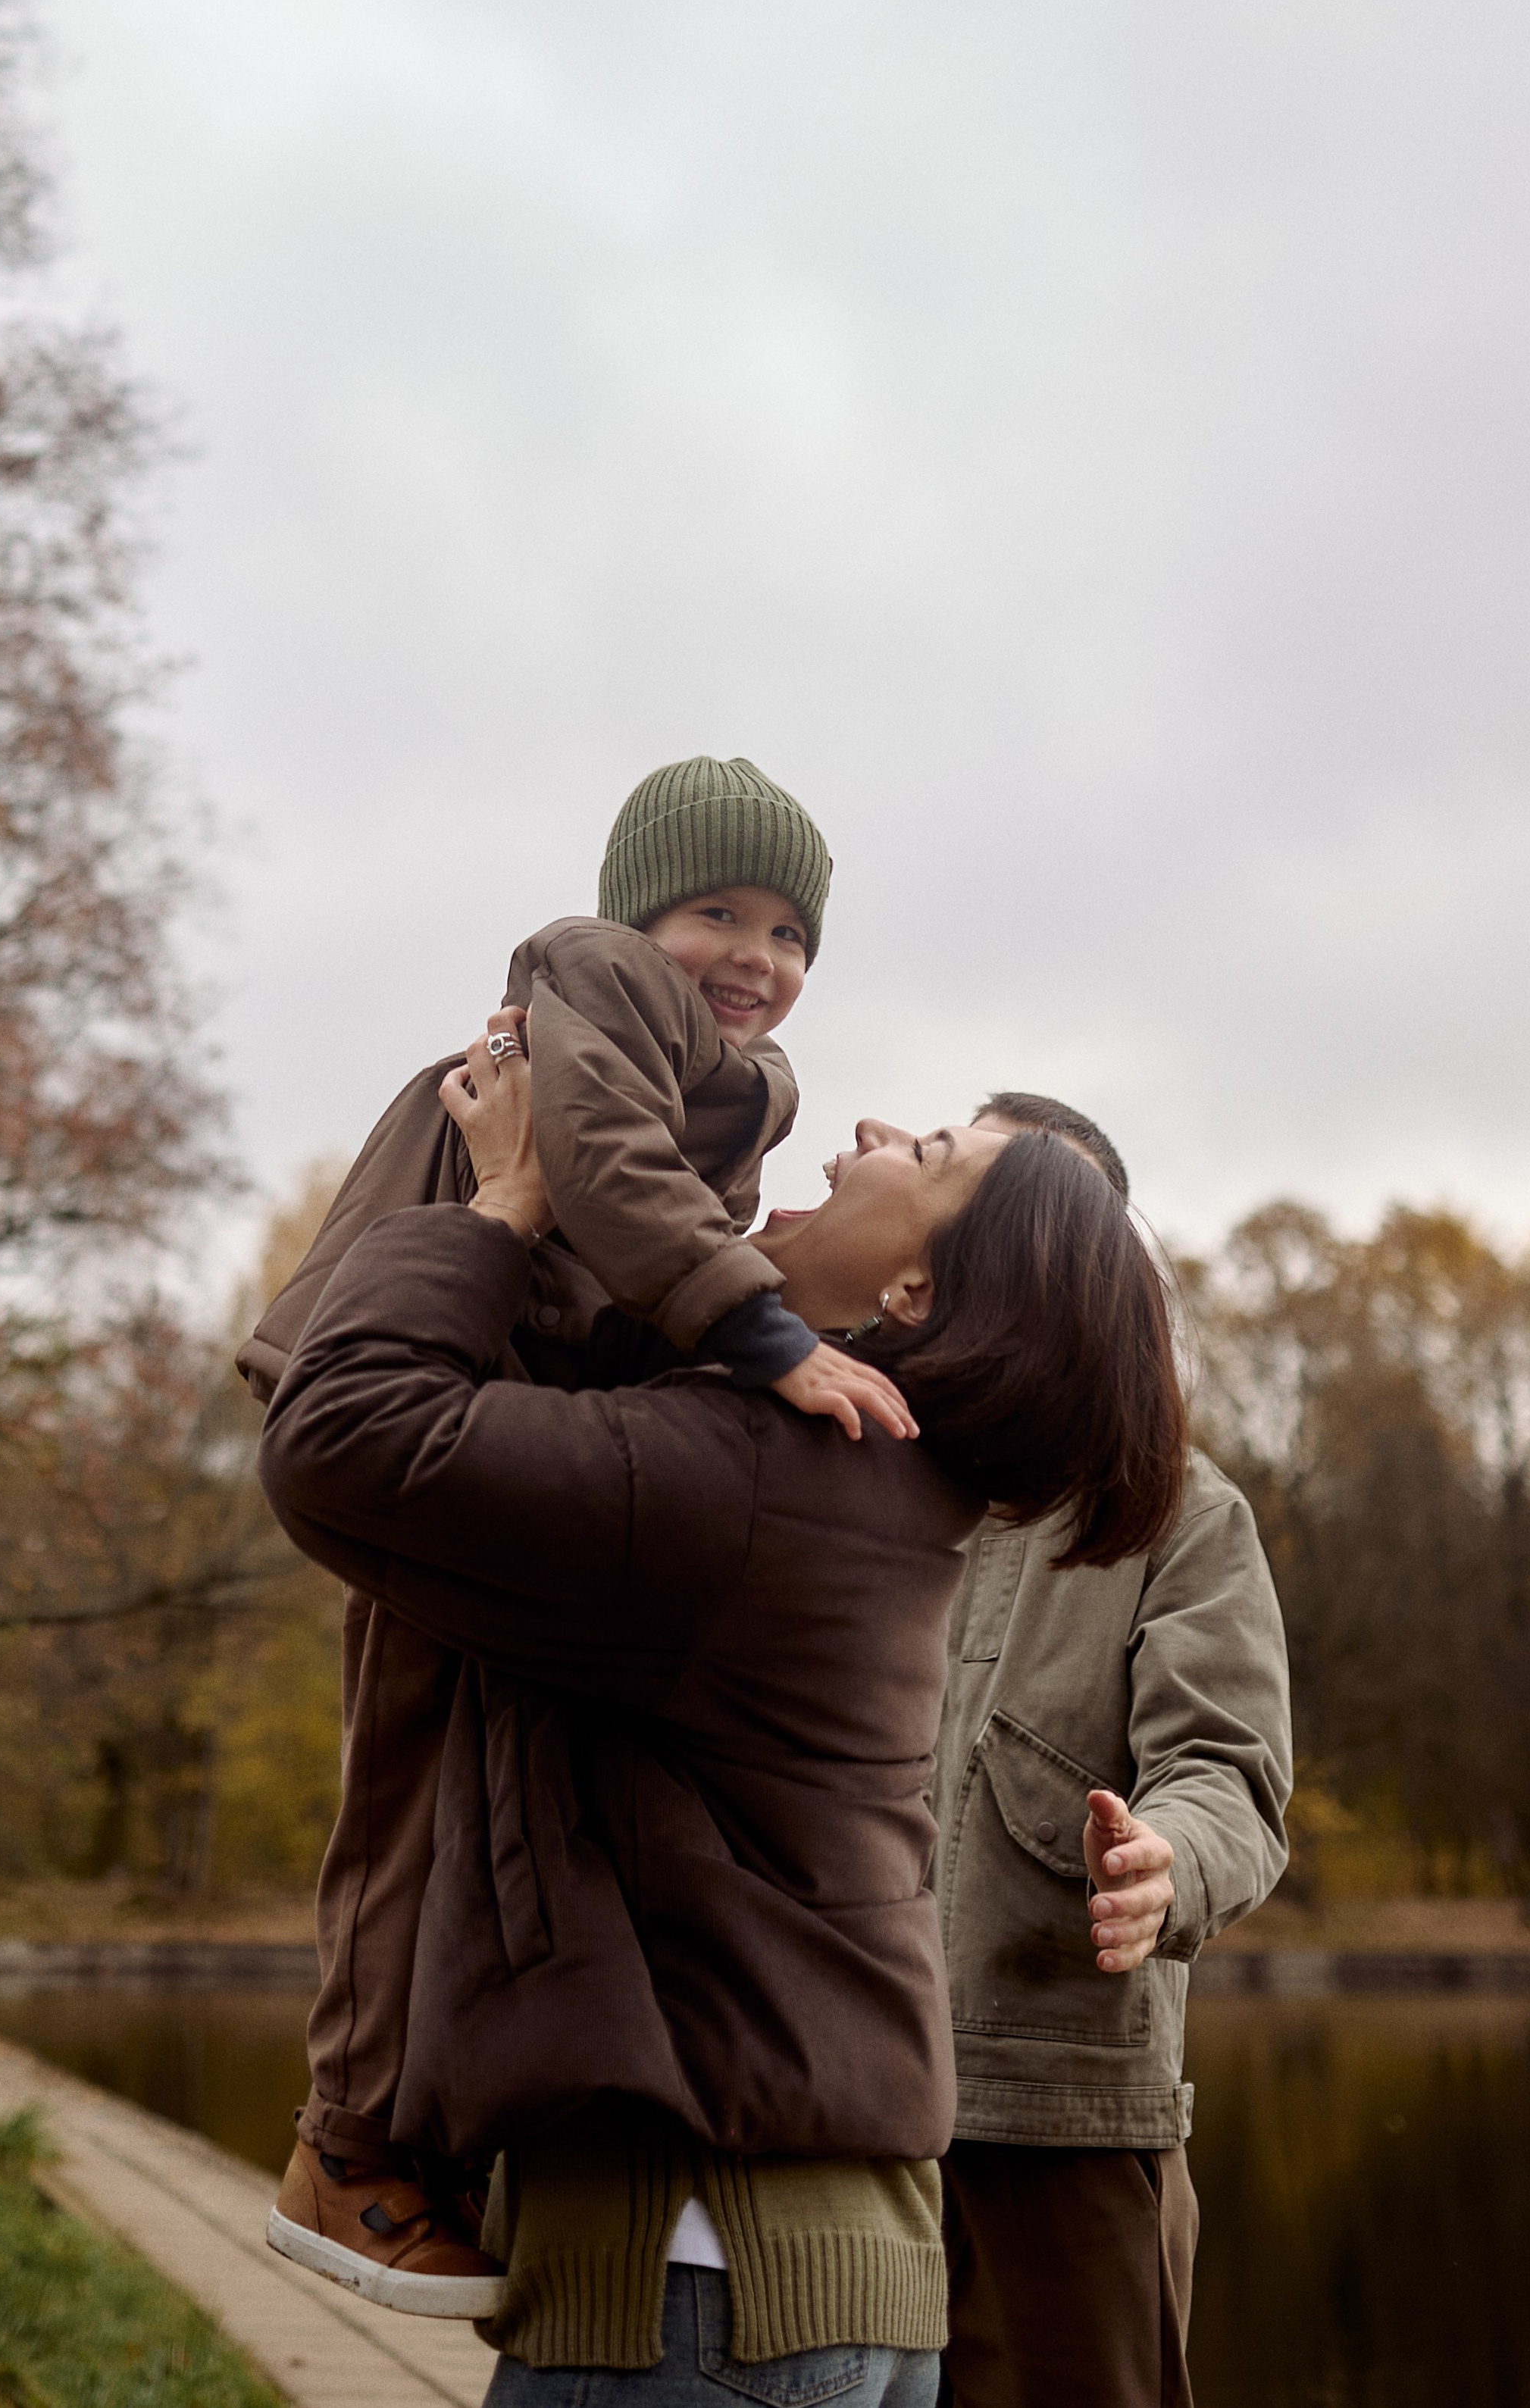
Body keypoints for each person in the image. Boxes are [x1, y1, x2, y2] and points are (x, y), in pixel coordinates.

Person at [255, 1036, 1193, 2400]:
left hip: (694, 2291)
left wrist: (507, 1204)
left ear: (917, 1288)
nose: (871, 1129)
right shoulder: (857, 1482)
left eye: (924, 1154)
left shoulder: (751, 1484)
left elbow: (335, 1438)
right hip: (828, 2291)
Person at [242, 756, 914, 2310]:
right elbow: (598, 1176)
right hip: (406, 1383)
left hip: (495, 1410)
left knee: (475, 1791)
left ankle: (428, 2140)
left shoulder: (738, 1076)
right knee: (407, 1786)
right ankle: (341, 2144)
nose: (755, 954)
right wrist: (760, 1338)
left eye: (788, 932)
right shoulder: (589, 982)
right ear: (637, 914)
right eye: (714, 912)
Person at [931, 1093, 1294, 2408]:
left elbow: (1230, 1777)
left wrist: (1163, 1862)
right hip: (829, 2123)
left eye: (1047, 1205)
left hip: (1062, 2129)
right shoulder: (857, 1470)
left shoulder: (1182, 1512)